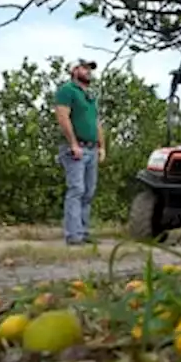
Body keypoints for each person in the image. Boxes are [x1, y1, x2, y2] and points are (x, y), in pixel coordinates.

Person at [53, 60, 107, 245]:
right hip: (76, 148)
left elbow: (96, 122)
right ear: (74, 70)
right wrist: (73, 144)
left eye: (90, 69)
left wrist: (102, 146)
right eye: (84, 68)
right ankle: (73, 235)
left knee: (88, 192)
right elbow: (62, 117)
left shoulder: (90, 96)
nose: (88, 72)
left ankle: (83, 232)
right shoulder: (67, 90)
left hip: (91, 148)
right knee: (77, 189)